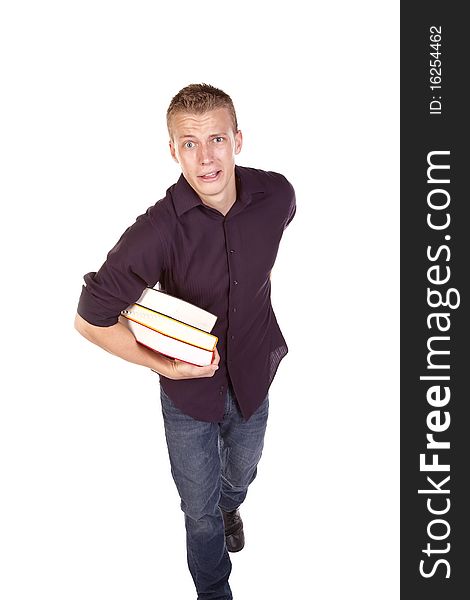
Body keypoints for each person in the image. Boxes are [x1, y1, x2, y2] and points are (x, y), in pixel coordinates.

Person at [74, 83, 296, 600]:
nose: (206, 157)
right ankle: (214, 589)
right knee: (198, 512)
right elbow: (90, 319)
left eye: (216, 138)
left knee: (240, 475)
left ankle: (230, 507)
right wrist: (164, 366)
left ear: (237, 140)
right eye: (189, 144)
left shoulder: (277, 197)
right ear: (173, 151)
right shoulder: (158, 229)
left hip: (253, 373)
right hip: (189, 396)